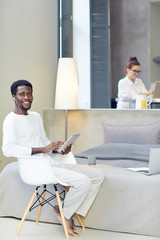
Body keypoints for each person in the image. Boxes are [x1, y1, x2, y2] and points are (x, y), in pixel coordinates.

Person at [2, 80, 104, 237]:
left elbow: (43, 142)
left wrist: (58, 150)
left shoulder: (35, 117)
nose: (26, 97)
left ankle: (65, 210)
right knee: (83, 182)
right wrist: (42, 149)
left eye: (29, 93)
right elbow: (7, 149)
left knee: (98, 176)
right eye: (22, 94)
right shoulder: (11, 120)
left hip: (50, 163)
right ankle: (66, 214)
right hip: (36, 169)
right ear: (13, 97)